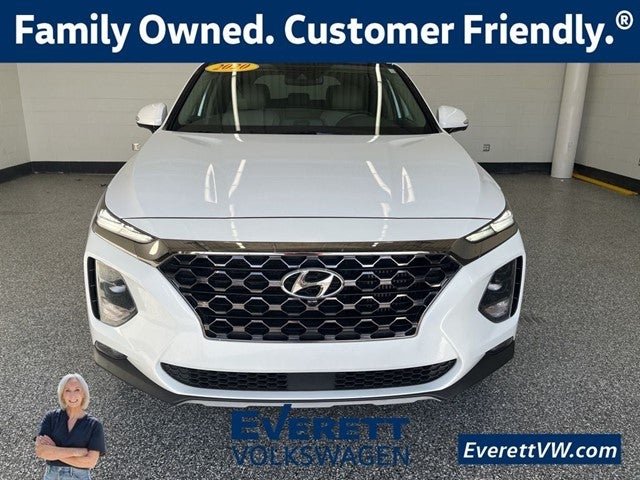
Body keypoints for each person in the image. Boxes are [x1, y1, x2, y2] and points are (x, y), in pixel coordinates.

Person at [35, 374, 106, 480]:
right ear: (62, 395)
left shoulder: (94, 425)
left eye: (77, 390)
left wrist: (54, 450)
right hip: (52, 476)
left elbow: (90, 462)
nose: (72, 395)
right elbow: (41, 451)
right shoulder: (51, 417)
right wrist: (77, 452)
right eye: (67, 390)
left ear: (84, 394)